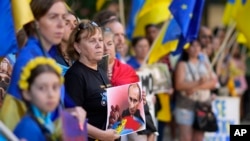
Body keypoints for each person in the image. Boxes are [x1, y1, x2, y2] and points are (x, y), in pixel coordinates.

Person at [1, 0, 85, 131]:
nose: (61, 24)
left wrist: (73, 111)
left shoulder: (46, 55)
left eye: (63, 17)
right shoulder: (29, 59)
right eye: (53, 17)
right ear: (35, 22)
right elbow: (18, 119)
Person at [64, 20, 120, 141]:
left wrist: (135, 104)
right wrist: (102, 135)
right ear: (77, 47)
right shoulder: (75, 75)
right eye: (92, 41)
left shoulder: (100, 70)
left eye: (100, 40)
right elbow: (71, 120)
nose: (99, 45)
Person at [174, 40, 216, 141]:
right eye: (193, 46)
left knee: (199, 137)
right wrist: (198, 82)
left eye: (198, 46)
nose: (196, 48)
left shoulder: (206, 64)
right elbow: (179, 85)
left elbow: (213, 83)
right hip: (186, 106)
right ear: (187, 49)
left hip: (203, 106)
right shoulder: (182, 64)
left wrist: (193, 87)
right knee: (186, 137)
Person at [14, 57, 65, 140]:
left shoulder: (46, 121)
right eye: (42, 88)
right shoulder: (29, 129)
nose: (51, 94)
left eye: (55, 87)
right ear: (27, 93)